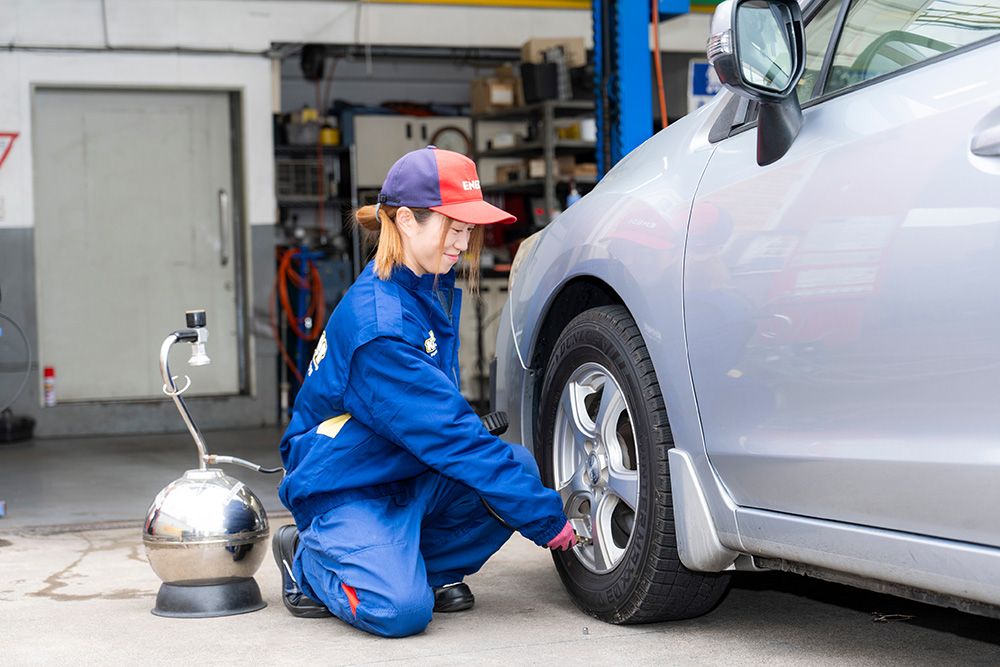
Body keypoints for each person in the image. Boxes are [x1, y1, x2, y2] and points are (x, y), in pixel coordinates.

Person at [273, 146, 576, 638]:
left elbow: (436, 421)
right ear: (407, 221)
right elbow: (449, 436)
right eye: (453, 228)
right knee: (399, 611)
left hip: (403, 467)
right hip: (346, 487)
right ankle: (306, 560)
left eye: (468, 230)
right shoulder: (380, 326)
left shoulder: (422, 286)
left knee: (515, 469)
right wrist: (545, 518)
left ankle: (419, 568)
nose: (463, 243)